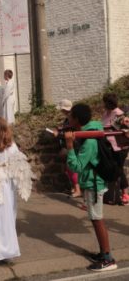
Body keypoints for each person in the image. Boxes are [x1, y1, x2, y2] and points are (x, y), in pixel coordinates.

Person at [65, 103, 117, 272]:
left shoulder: (90, 141)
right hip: (92, 182)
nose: (68, 118)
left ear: (77, 120)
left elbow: (77, 166)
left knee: (97, 219)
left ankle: (108, 258)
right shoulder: (89, 131)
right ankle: (103, 253)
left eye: (71, 116)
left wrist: (70, 147)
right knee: (95, 219)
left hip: (94, 184)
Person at [0, 117, 34, 262]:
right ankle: (7, 251)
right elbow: (17, 165)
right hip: (7, 184)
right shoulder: (12, 146)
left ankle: (0, 250)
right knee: (9, 216)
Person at [102, 93, 129, 204]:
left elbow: (125, 131)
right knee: (114, 169)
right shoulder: (106, 113)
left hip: (120, 147)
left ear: (108, 102)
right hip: (108, 145)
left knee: (118, 169)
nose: (102, 104)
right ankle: (112, 194)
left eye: (104, 102)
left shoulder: (119, 114)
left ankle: (125, 194)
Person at [55, 99, 81, 198]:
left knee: (71, 168)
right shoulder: (70, 118)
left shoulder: (71, 118)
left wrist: (58, 134)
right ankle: (75, 188)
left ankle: (77, 189)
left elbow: (69, 133)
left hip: (72, 145)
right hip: (71, 145)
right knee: (69, 168)